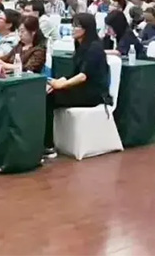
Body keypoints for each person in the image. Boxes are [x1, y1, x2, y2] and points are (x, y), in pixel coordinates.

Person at [45, 13, 111, 157]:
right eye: (73, 25)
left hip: (93, 93)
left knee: (49, 98)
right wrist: (58, 81)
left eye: (77, 26)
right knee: (48, 93)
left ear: (87, 29)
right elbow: (74, 73)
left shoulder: (94, 48)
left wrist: (62, 85)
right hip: (81, 88)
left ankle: (48, 145)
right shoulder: (80, 46)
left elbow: (83, 76)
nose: (73, 29)